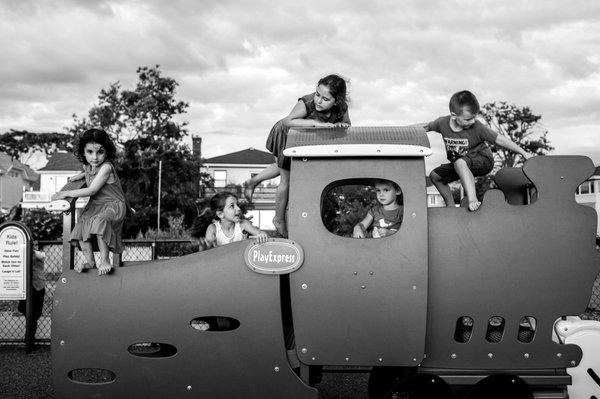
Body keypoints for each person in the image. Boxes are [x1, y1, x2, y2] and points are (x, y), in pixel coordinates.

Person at [243, 74, 351, 237]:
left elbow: (347, 124)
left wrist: (341, 124)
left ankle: (253, 181)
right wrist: (315, 123)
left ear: (336, 101)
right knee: (287, 177)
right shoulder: (307, 102)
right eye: (317, 94)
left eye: (325, 99)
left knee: (282, 166)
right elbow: (288, 121)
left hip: (301, 137)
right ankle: (278, 219)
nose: (318, 101)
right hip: (286, 133)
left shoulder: (342, 108)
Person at [423, 90, 532, 211]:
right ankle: (450, 206)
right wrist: (404, 130)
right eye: (468, 119)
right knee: (435, 176)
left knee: (460, 163)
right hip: (460, 164)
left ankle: (473, 200)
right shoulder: (442, 123)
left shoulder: (477, 127)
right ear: (454, 115)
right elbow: (426, 126)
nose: (472, 121)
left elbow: (499, 140)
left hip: (483, 159)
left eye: (474, 117)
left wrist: (523, 152)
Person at [51, 128, 127, 275]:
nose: (95, 157)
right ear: (83, 152)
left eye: (100, 152)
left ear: (107, 152)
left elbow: (91, 190)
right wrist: (80, 176)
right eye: (90, 152)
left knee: (100, 222)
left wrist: (65, 193)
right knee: (81, 224)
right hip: (96, 205)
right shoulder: (88, 166)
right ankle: (90, 261)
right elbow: (89, 172)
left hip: (113, 205)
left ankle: (105, 260)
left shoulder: (106, 167)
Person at [199, 192, 268, 248]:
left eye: (237, 205)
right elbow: (206, 252)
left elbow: (259, 233)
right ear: (220, 214)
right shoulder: (213, 228)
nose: (238, 208)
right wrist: (203, 246)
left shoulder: (243, 224)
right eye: (232, 206)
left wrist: (262, 235)